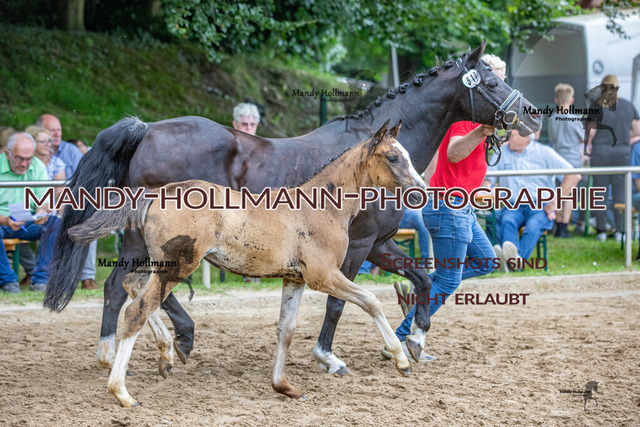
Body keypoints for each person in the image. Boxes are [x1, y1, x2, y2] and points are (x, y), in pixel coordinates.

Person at [392, 54, 507, 359]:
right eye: (495, 82)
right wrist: (481, 131)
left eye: (502, 82)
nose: (501, 89)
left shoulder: (479, 118)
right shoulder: (469, 117)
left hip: (459, 206)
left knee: (486, 261)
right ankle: (400, 337)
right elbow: (454, 153)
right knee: (449, 279)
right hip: (449, 206)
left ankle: (425, 289)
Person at [483, 132, 582, 270]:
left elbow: (574, 176)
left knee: (532, 226)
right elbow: (488, 179)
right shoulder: (501, 152)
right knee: (507, 220)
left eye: (512, 136)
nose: (507, 139)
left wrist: (555, 203)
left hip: (540, 205)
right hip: (513, 205)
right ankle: (511, 262)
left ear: (525, 137)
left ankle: (513, 263)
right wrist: (487, 187)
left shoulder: (545, 152)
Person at [37, 114, 98, 290]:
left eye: (59, 130)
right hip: (41, 204)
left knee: (89, 222)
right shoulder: (33, 154)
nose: (56, 134)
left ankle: (87, 277)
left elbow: (86, 180)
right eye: (52, 130)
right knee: (28, 223)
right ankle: (32, 273)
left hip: (71, 203)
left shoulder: (71, 151)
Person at [0, 132, 60, 293]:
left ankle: (41, 280)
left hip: (28, 221)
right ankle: (7, 282)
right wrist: (5, 220)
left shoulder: (38, 166)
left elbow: (45, 199)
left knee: (55, 223)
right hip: (2, 221)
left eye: (29, 159)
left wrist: (41, 211)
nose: (24, 164)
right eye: (19, 158)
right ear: (7, 153)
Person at [586, 75, 640, 242]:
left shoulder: (596, 106)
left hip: (601, 153)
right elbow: (637, 130)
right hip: (622, 153)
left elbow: (590, 132)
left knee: (600, 193)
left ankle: (601, 232)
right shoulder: (629, 106)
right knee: (620, 192)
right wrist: (622, 136)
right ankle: (620, 232)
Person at [547, 83, 585, 238]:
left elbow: (551, 138)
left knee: (559, 192)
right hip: (573, 159)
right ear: (572, 100)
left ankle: (557, 225)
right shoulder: (574, 119)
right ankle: (564, 227)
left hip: (557, 158)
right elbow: (583, 138)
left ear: (556, 100)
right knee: (569, 194)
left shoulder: (552, 118)